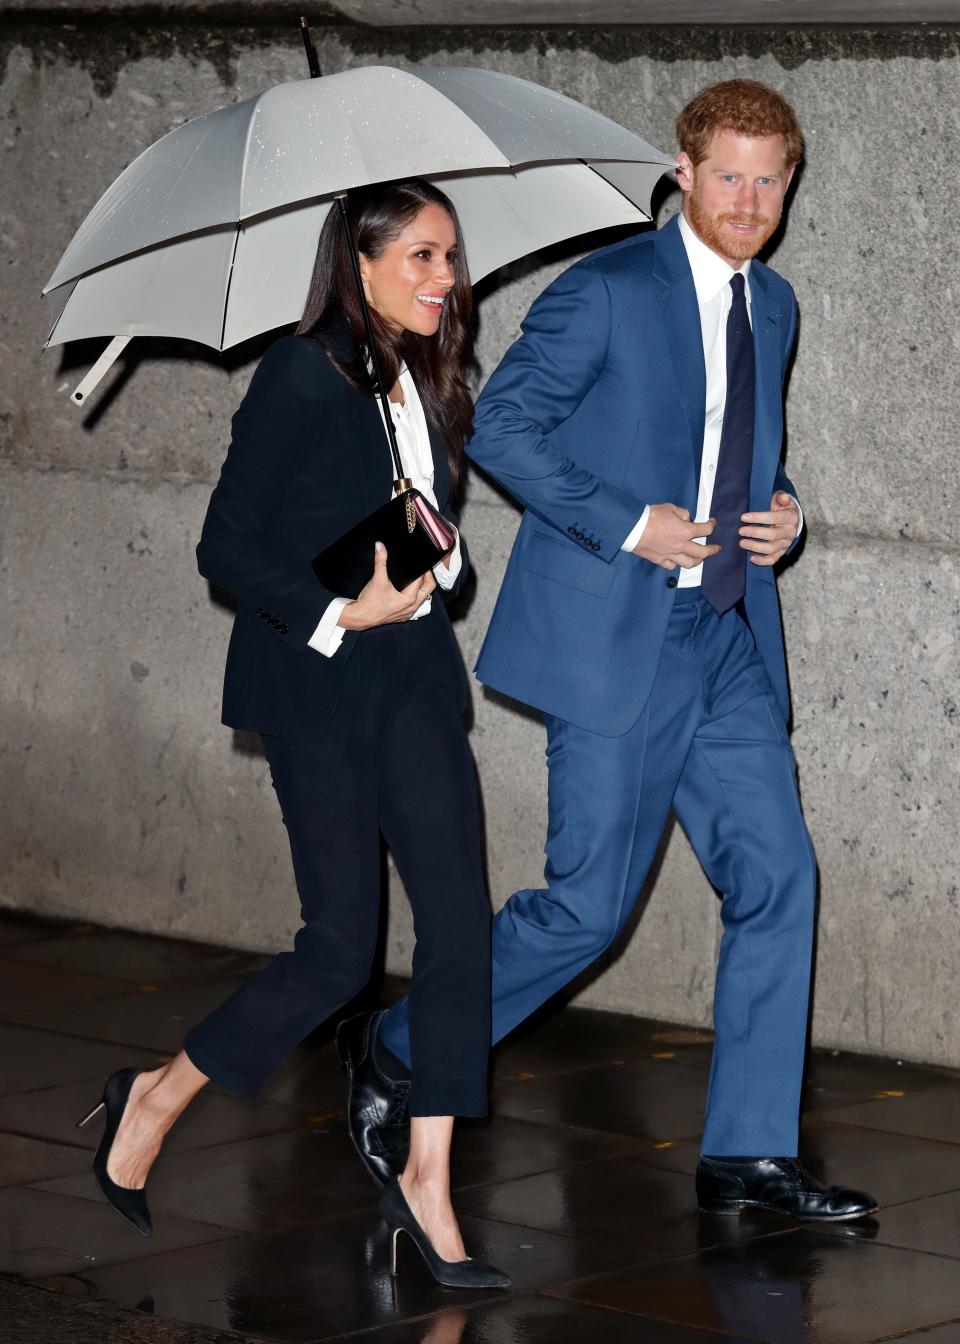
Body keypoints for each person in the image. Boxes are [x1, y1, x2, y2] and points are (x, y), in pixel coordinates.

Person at [345, 81, 878, 1222]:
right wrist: (631, 521)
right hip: (621, 635)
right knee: (586, 910)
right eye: (725, 174)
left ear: (790, 186)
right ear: (683, 172)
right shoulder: (606, 290)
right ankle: (399, 1044)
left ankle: (747, 1155)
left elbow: (736, 448)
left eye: (768, 179)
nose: (747, 199)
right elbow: (503, 425)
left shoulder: (772, 304)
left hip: (730, 635)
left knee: (780, 877)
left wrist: (783, 512)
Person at [75, 178, 509, 1289]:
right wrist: (337, 612)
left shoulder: (422, 378)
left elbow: (429, 531)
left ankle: (428, 1180)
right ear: (358, 262)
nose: (442, 278)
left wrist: (437, 552)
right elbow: (226, 544)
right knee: (338, 951)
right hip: (319, 683)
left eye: (449, 257)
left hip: (413, 678)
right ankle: (159, 1095)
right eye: (418, 256)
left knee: (461, 929)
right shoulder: (297, 375)